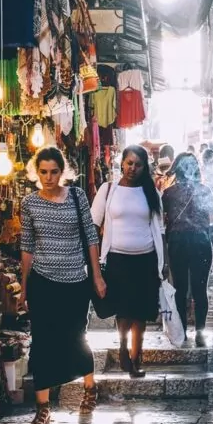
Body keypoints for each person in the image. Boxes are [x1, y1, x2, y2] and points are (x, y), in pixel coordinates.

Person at [20, 147, 105, 424]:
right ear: (36, 172)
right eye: (43, 172)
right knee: (42, 343)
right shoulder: (29, 203)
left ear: (63, 170)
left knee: (75, 337)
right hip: (42, 282)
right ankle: (42, 410)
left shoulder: (77, 196)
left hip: (74, 282)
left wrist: (96, 276)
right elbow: (27, 246)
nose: (48, 177)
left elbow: (91, 236)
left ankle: (90, 388)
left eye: (54, 171)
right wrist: (22, 287)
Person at [91, 145, 165, 378]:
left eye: (138, 164)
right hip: (117, 260)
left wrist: (165, 265)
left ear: (145, 168)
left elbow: (160, 230)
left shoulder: (152, 193)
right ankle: (123, 348)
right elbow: (93, 226)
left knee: (141, 312)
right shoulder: (108, 189)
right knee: (123, 311)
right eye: (129, 163)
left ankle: (136, 358)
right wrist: (96, 271)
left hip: (146, 260)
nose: (133, 168)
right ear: (122, 163)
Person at [162, 152, 213, 347]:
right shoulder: (205, 190)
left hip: (177, 243)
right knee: (200, 290)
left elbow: (163, 221)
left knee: (180, 289)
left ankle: (182, 331)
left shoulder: (168, 194)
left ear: (176, 169)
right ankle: (200, 333)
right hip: (201, 242)